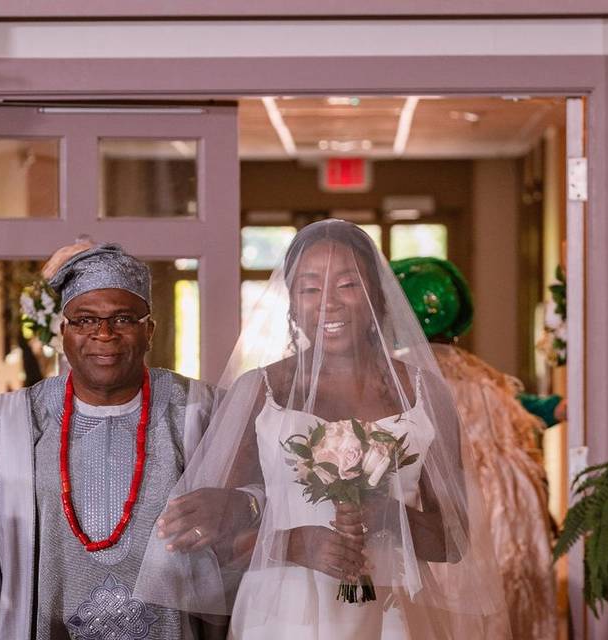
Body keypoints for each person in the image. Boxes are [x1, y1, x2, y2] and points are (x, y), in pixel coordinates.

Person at [134, 220, 510, 639]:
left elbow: (452, 542)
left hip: (391, 613)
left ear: (376, 298)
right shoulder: (259, 391)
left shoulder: (425, 394)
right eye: (309, 288)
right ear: (292, 304)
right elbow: (214, 539)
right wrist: (295, 543)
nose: (328, 303)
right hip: (280, 614)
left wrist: (386, 513)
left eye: (348, 285)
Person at [0, 243, 221, 639]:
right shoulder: (4, 425)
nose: (103, 333)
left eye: (123, 318)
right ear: (63, 332)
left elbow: (254, 520)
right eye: (84, 320)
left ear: (149, 329)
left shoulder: (200, 413)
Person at [391, 256, 557, 640]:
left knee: (443, 605)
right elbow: (520, 417)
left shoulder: (399, 377)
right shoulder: (483, 377)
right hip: (506, 508)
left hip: (445, 501)